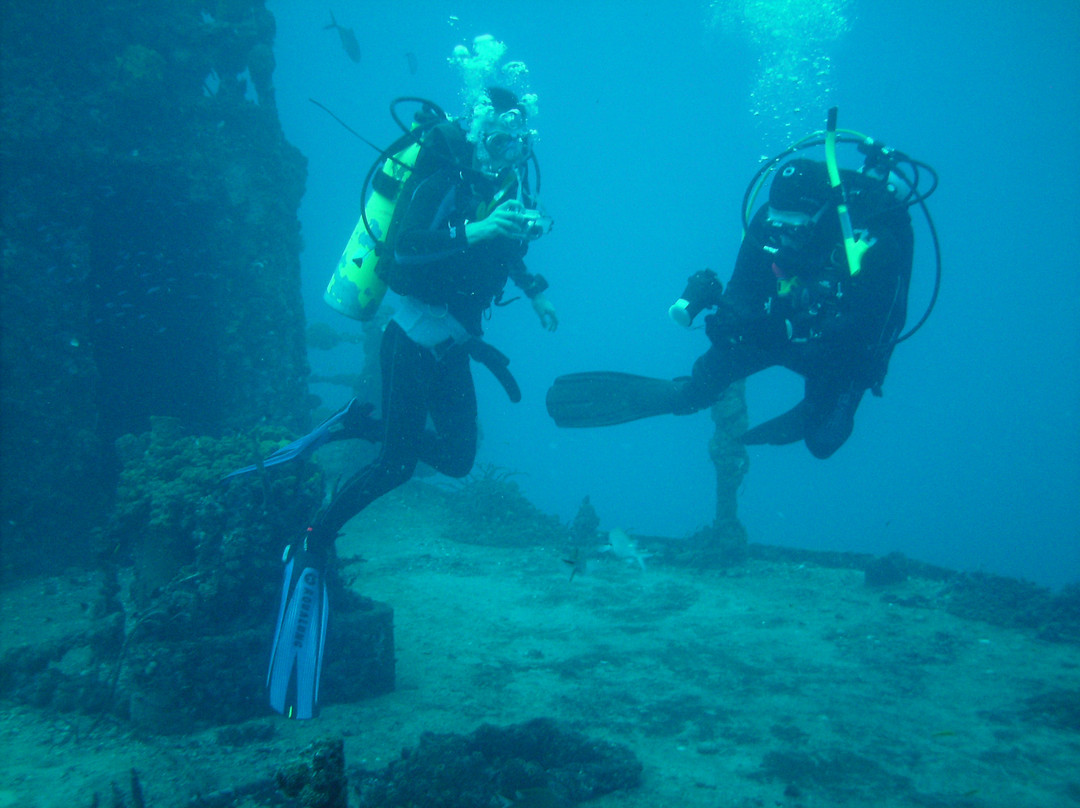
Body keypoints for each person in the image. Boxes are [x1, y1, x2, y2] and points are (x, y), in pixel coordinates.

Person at [253, 86, 557, 719]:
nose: (506, 154)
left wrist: (535, 291)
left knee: (457, 460)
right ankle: (314, 535)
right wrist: (474, 226)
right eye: (497, 140)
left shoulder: (503, 188)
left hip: (451, 343)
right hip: (411, 336)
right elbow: (404, 254)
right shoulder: (443, 174)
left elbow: (506, 250)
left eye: (517, 144)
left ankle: (364, 423)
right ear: (476, 133)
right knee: (395, 467)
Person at [547, 118, 936, 460]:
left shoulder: (869, 241)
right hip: (782, 325)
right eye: (776, 223)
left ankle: (833, 401)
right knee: (703, 381)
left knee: (823, 442)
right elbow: (743, 286)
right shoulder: (767, 221)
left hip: (839, 349)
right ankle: (681, 394)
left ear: (820, 215)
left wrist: (790, 330)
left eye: (794, 226)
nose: (782, 235)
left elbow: (867, 326)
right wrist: (727, 321)